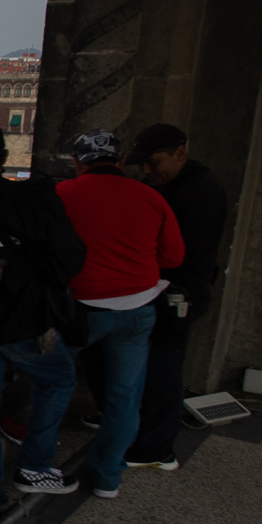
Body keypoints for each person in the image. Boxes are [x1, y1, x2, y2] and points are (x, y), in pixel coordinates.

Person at [0, 119, 87, 506]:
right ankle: (34, 465)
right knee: (61, 379)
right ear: (2, 157)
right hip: (21, 320)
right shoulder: (30, 198)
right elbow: (69, 258)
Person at [55, 130, 184, 498]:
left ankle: (42, 466)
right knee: (124, 397)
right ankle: (108, 478)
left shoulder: (63, 194)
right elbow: (174, 257)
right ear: (122, 161)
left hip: (82, 309)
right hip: (137, 308)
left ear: (78, 163)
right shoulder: (151, 197)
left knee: (54, 384)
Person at [123, 123, 228, 468]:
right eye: (143, 165)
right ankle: (137, 430)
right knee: (149, 367)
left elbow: (187, 256)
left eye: (154, 162)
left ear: (180, 154)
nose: (147, 171)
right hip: (159, 288)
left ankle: (155, 449)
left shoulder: (202, 192)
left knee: (162, 370)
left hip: (178, 293)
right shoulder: (169, 186)